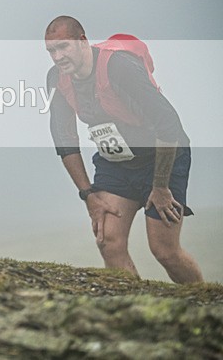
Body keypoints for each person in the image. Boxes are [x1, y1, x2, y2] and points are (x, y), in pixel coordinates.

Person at [44, 15, 203, 283]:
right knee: (109, 243)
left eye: (64, 47)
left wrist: (161, 187)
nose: (58, 57)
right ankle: (139, 312)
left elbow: (169, 125)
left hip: (162, 156)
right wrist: (88, 194)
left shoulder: (119, 67)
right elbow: (64, 140)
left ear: (82, 41)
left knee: (164, 251)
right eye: (51, 51)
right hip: (116, 163)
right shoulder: (58, 80)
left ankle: (208, 306)